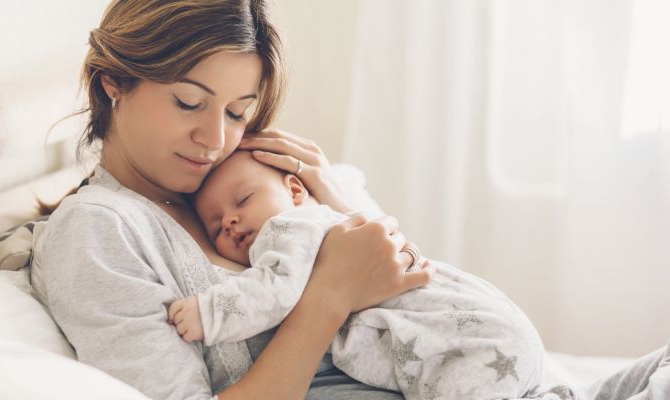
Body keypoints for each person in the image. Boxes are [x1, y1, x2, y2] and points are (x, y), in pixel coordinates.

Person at [29, 1, 433, 399]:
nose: (215, 141)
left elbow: (411, 293)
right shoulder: (97, 228)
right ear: (113, 80)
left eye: (237, 113)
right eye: (188, 103)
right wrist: (329, 296)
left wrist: (336, 203)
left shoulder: (248, 182)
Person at [168, 150, 547, 400]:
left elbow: (271, 292)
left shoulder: (288, 229)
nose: (230, 220)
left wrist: (209, 313)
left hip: (464, 344)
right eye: (216, 226)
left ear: (296, 190)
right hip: (494, 335)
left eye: (243, 200)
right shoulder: (334, 225)